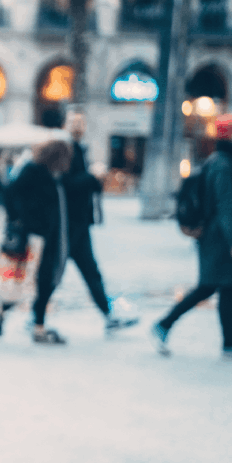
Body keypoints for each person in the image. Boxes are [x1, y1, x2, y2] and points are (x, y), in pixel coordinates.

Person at [152, 114, 232, 359]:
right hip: (219, 236)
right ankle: (163, 324)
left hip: (223, 234)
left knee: (228, 287)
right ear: (229, 134)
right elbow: (225, 205)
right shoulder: (223, 163)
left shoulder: (228, 160)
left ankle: (230, 342)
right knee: (209, 286)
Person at [63, 111, 138, 333]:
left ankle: (108, 314)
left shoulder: (78, 149)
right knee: (50, 274)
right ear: (65, 125)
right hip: (67, 224)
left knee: (90, 271)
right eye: (73, 122)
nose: (78, 126)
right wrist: (92, 176)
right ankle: (23, 313)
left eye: (81, 122)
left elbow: (85, 187)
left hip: (79, 223)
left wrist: (96, 179)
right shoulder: (66, 150)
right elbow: (68, 184)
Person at [5, 139, 73, 344]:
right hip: (33, 237)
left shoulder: (54, 176)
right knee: (24, 280)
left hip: (49, 238)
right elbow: (10, 193)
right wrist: (20, 220)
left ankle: (38, 325)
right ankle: (3, 310)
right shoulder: (32, 170)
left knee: (44, 281)